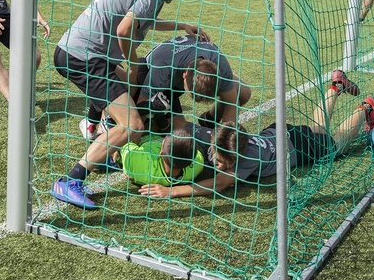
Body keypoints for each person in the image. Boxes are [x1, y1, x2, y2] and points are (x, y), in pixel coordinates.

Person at [51, 0, 207, 208]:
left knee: (135, 88)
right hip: (86, 57)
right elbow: (124, 30)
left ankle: (102, 140)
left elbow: (141, 20)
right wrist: (132, 60)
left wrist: (181, 25)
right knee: (132, 124)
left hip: (75, 50)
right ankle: (71, 179)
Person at [140, 70, 372, 198]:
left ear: (235, 159)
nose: (218, 164)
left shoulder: (247, 161)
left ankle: (366, 107)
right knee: (318, 129)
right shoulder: (220, 136)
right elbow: (186, 129)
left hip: (298, 147)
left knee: (336, 144)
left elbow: (217, 185)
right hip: (281, 134)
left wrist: (170, 191)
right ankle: (336, 86)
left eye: (222, 162)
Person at [136, 35, 251, 133]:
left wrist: (224, 140)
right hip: (148, 75)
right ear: (184, 76)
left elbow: (232, 103)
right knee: (177, 132)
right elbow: (141, 107)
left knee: (243, 93)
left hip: (178, 69)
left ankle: (208, 120)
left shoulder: (219, 63)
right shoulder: (161, 70)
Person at [117, 126, 205, 187]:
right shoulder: (197, 165)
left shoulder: (141, 164)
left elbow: (122, 142)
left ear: (161, 152)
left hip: (141, 135)